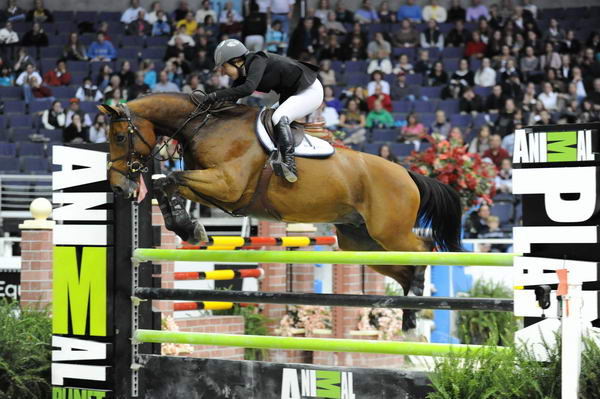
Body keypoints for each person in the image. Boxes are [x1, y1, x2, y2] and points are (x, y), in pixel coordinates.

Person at [197, 39, 321, 183]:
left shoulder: (258, 59)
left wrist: (214, 95)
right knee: (264, 118)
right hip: (293, 94)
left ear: (236, 61)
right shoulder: (242, 73)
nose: (223, 73)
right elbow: (231, 101)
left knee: (278, 117)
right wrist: (209, 114)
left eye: (224, 67)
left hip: (310, 90)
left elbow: (248, 89)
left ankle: (289, 164)